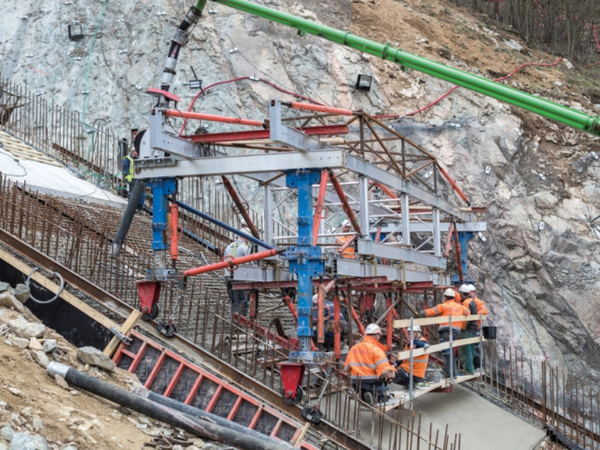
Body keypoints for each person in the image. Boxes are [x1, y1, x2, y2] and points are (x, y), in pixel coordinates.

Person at [417, 288, 469, 379]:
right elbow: (468, 312)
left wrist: (421, 313)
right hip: (456, 331)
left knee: (446, 352)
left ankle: (449, 374)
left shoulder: (443, 306)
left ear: (445, 297)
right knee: (451, 352)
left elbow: (431, 311)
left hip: (446, 331)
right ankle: (453, 373)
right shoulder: (460, 307)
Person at [344, 324, 396, 404]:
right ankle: (376, 396)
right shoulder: (376, 350)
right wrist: (391, 372)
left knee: (364, 392)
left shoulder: (354, 348)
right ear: (376, 336)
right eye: (379, 336)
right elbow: (384, 370)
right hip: (372, 382)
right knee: (385, 395)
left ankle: (365, 396)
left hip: (356, 382)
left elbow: (347, 367)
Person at [223, 231, 252, 322]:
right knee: (241, 302)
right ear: (246, 238)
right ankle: (238, 326)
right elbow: (250, 264)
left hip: (228, 277)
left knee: (234, 302)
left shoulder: (228, 247)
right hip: (238, 278)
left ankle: (234, 324)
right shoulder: (245, 248)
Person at [458, 284, 478, 375]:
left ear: (462, 293)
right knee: (470, 348)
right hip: (473, 327)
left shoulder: (466, 303)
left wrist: (462, 328)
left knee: (467, 349)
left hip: (468, 329)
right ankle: (470, 368)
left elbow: (466, 318)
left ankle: (469, 369)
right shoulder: (472, 301)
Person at [467, 284, 488, 369]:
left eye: (470, 292)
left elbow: (484, 310)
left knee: (475, 347)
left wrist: (474, 314)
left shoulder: (478, 302)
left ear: (474, 292)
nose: (468, 294)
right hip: (470, 328)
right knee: (470, 347)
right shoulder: (467, 301)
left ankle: (478, 365)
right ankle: (474, 365)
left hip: (477, 328)